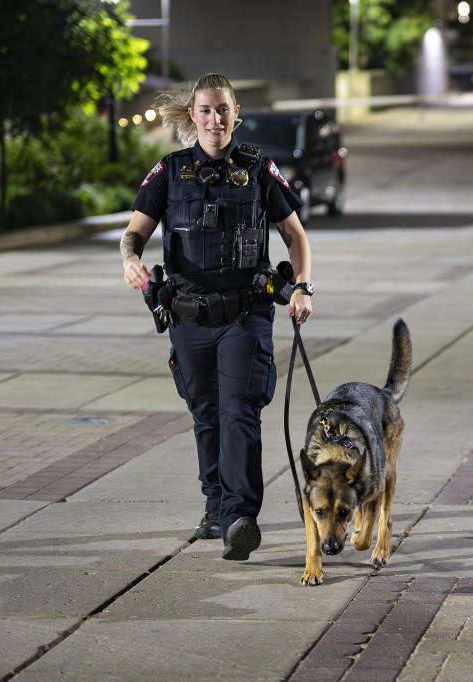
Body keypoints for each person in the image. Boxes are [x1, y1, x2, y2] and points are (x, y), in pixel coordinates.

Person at [120, 73, 313, 561]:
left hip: (245, 315)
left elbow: (295, 236)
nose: (215, 119)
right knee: (205, 414)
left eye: (223, 109)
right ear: (193, 116)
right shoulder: (169, 171)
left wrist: (303, 286)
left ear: (235, 113)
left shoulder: (259, 169)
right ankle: (215, 503)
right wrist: (129, 260)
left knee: (239, 412)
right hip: (187, 316)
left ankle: (238, 518)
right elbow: (134, 233)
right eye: (206, 110)